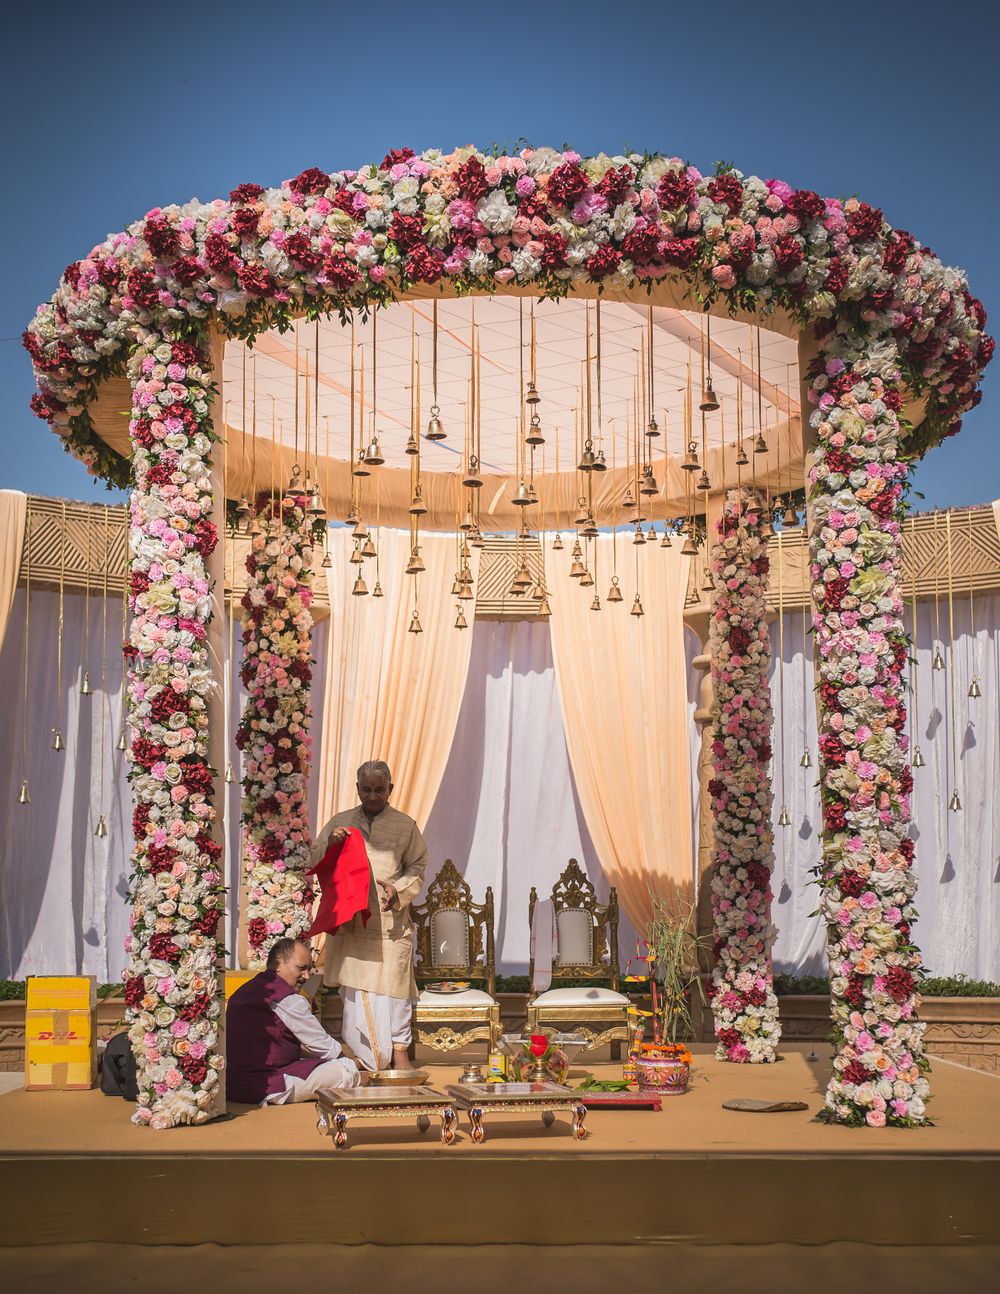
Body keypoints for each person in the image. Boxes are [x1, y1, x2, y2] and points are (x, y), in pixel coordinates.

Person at [315, 759, 428, 1073]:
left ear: (390, 789)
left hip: (390, 925)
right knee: (355, 990)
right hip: (352, 925)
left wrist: (399, 891)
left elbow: (417, 867)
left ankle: (400, 1054)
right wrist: (330, 843)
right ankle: (362, 1055)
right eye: (367, 789)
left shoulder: (406, 825)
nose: (373, 795)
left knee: (397, 990)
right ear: (358, 789)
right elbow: (314, 858)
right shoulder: (341, 821)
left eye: (380, 789)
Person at [226, 937, 361, 1105]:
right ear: (278, 963)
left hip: (232, 1085)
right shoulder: (286, 998)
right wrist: (353, 1064)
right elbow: (324, 1046)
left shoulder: (244, 991)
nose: (306, 976)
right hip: (265, 1085)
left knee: (316, 1064)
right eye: (301, 968)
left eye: (309, 970)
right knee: (344, 1071)